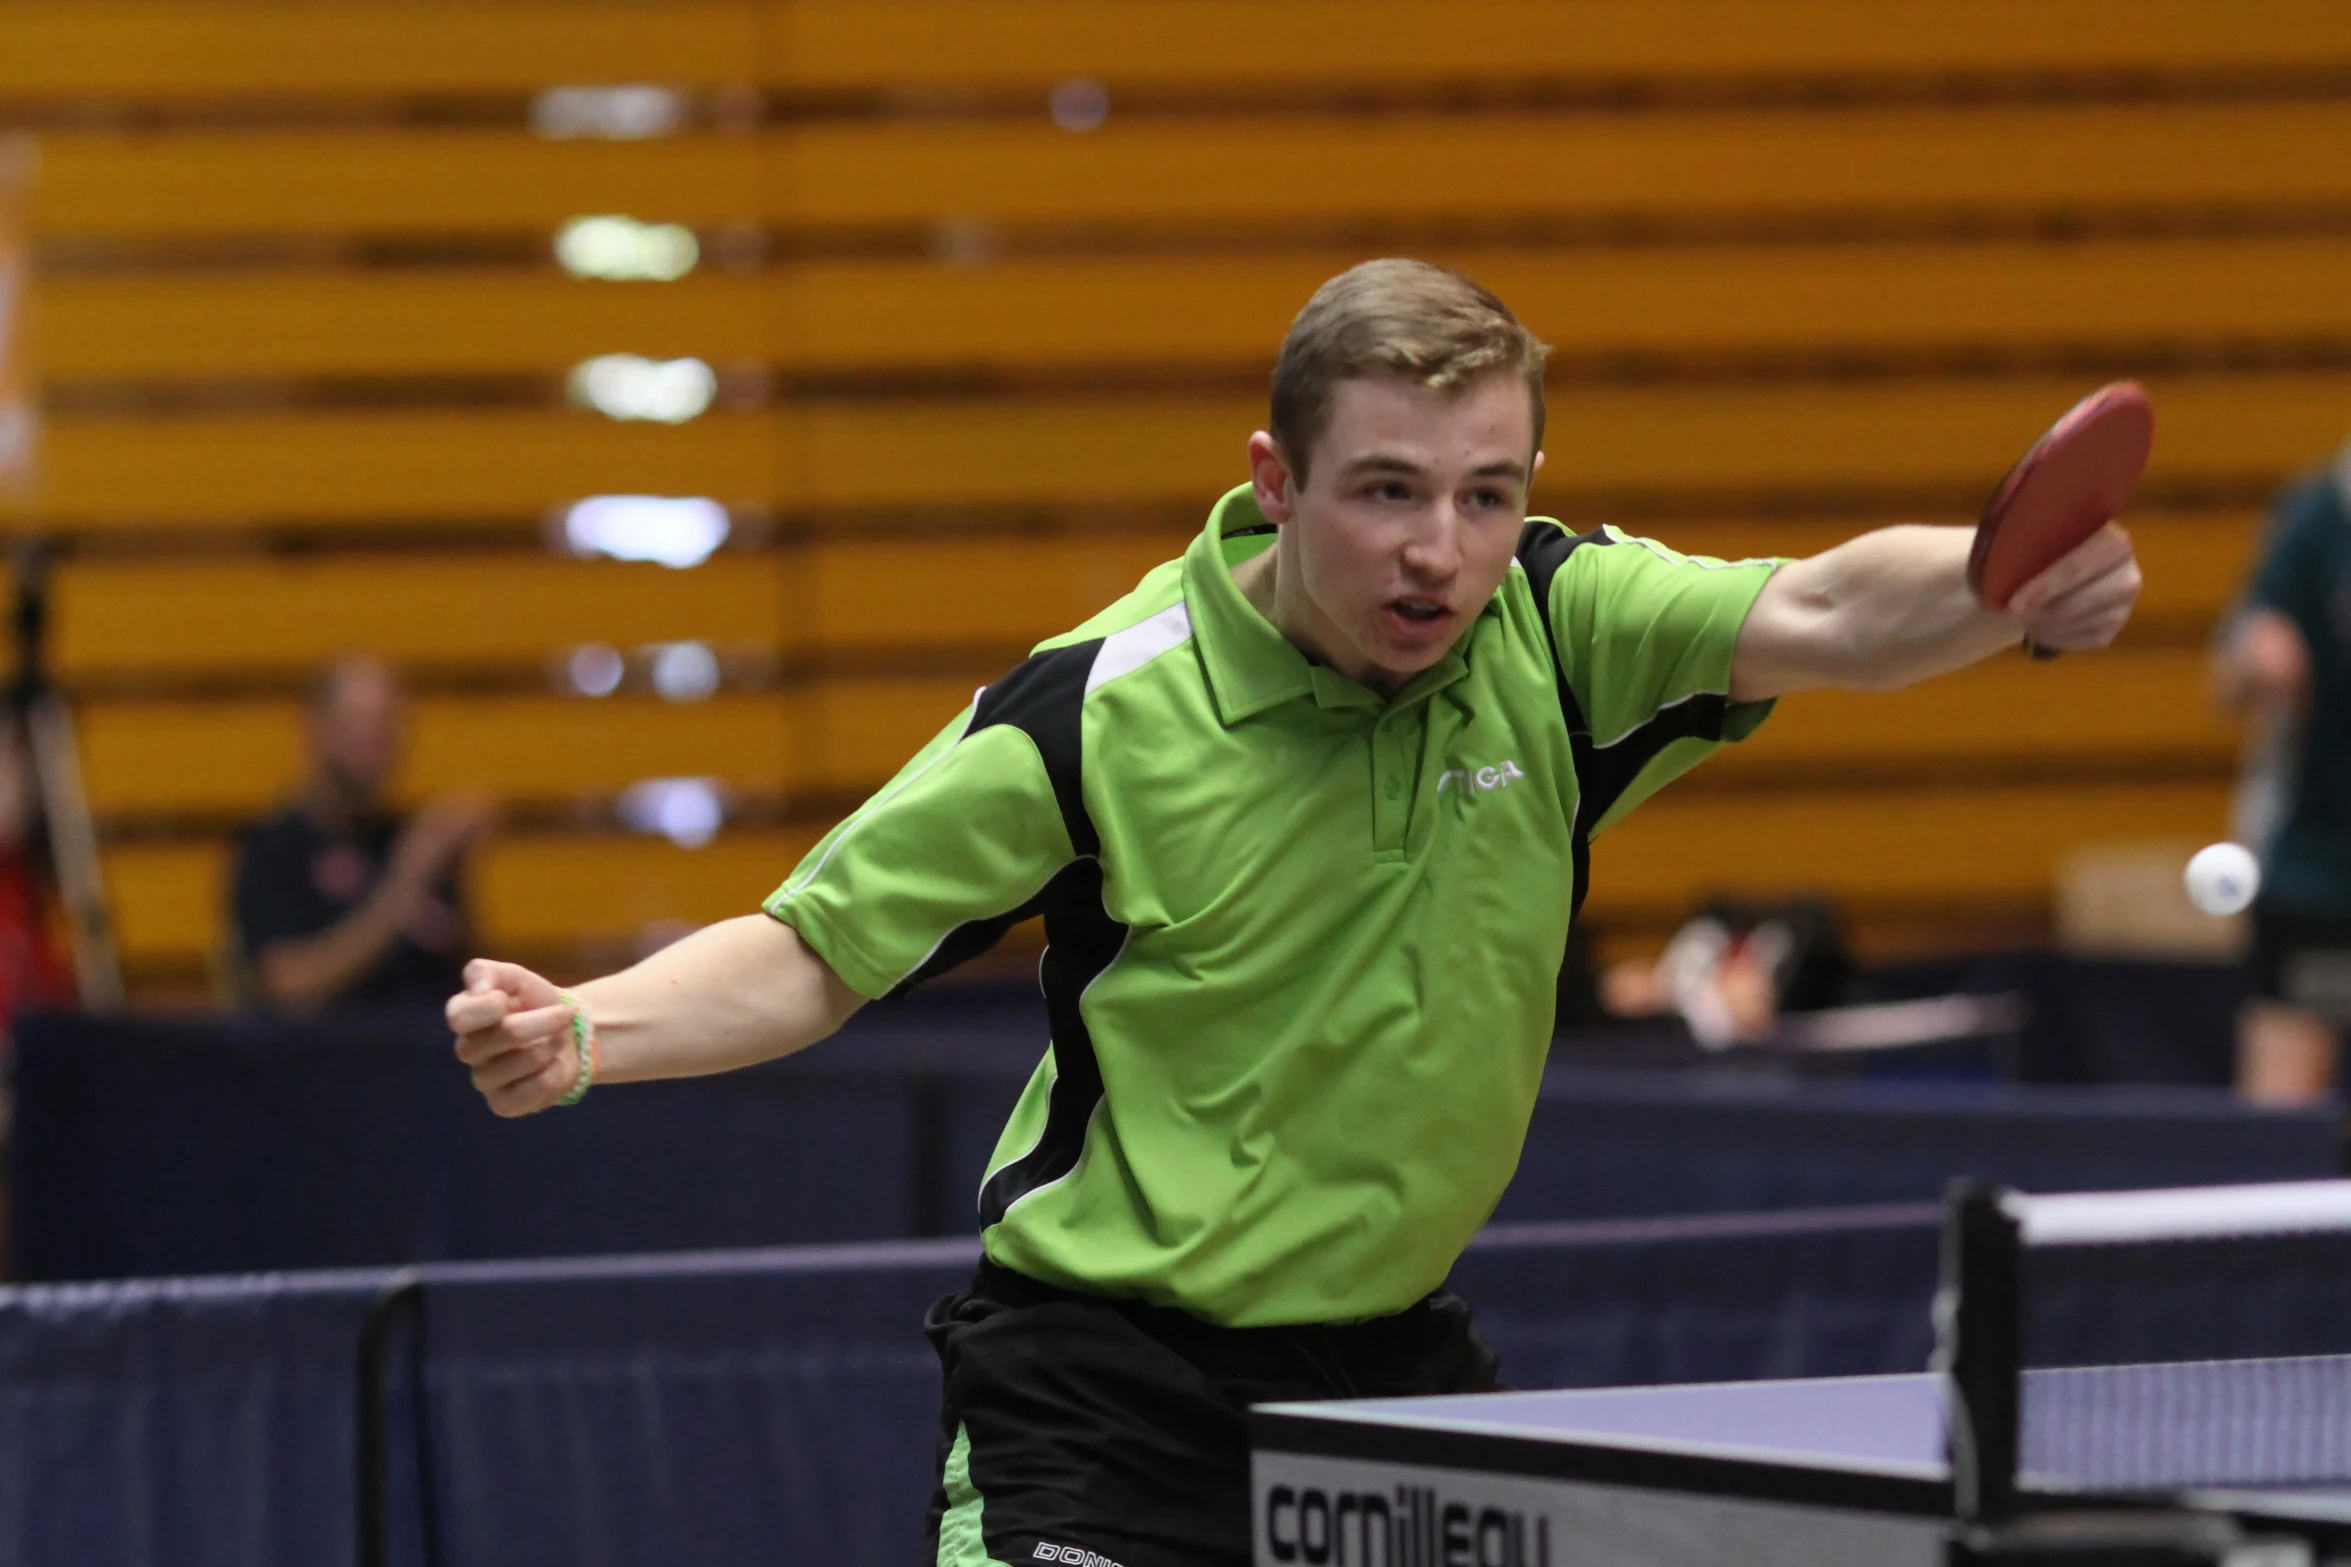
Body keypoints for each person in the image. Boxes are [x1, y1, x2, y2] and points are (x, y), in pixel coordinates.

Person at [446, 260, 2141, 1565]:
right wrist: (591, 1027)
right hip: (1101, 1388)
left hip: (1384, 1376)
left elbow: (1834, 610)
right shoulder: (1101, 711)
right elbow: (818, 950)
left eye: (1487, 492)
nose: (1441, 552)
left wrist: (2009, 589)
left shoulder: (1552, 631)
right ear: (1275, 478)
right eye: (1386, 491)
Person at [2212, 442, 2351, 1104]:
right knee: (2282, 1103)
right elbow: (2225, 677)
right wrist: (2255, 655)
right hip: (2315, 869)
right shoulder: (2317, 518)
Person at [232, 654, 485, 1011]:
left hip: (435, 1056)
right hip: (329, 1058)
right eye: (358, 721)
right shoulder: (274, 848)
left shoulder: (412, 839)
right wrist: (404, 887)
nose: (374, 741)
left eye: (386, 724)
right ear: (315, 727)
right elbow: (288, 988)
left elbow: (469, 980)